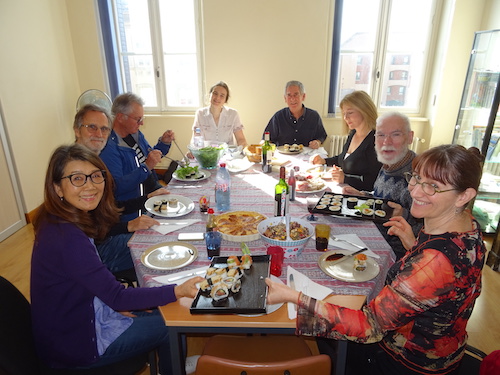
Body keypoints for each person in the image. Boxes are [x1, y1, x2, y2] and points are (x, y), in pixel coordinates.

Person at [266, 144, 486, 375]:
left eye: (433, 186)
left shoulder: (434, 262)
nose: (416, 191)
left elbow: (369, 326)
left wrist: (293, 296)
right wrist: (414, 246)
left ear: (464, 195)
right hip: (447, 351)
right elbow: (451, 280)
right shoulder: (467, 226)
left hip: (406, 362)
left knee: (324, 346)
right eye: (417, 178)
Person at [30, 144, 203, 374]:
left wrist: (111, 305)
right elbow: (118, 297)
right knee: (169, 323)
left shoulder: (60, 219)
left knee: (159, 309)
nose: (90, 186)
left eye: (95, 176)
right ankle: (173, 365)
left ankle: (174, 361)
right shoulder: (67, 237)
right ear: (57, 188)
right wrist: (177, 290)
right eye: (77, 178)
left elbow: (92, 286)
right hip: (76, 343)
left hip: (79, 317)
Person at [73, 104, 168, 273]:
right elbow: (86, 228)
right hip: (96, 251)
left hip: (105, 234)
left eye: (104, 129)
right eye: (92, 127)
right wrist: (128, 226)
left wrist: (146, 199)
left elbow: (110, 206)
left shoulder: (94, 164)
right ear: (76, 130)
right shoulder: (74, 169)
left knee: (162, 231)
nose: (99, 134)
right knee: (159, 244)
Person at [342, 111, 422, 259]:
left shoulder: (419, 176)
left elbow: (429, 230)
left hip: (395, 255)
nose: (387, 142)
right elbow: (384, 202)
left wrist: (404, 216)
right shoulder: (389, 163)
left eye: (396, 134)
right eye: (381, 135)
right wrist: (362, 196)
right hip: (373, 234)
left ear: (410, 137)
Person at [100, 92, 175, 221]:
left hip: (150, 191)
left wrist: (164, 143)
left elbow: (149, 156)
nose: (141, 123)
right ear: (120, 117)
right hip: (133, 210)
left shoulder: (135, 134)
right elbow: (117, 187)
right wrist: (146, 167)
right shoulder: (109, 147)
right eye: (137, 119)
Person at [312, 90, 382, 191]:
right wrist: (324, 161)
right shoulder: (353, 133)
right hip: (346, 190)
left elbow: (374, 182)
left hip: (359, 197)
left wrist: (345, 179)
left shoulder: (375, 141)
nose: (345, 118)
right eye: (344, 113)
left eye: (350, 113)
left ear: (364, 111)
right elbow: (343, 159)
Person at [263, 80, 327, 149]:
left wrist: (317, 142)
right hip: (284, 157)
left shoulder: (314, 116)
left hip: (307, 156)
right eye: (289, 95)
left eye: (296, 95)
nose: (292, 99)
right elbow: (266, 139)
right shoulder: (278, 117)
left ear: (303, 96)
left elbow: (321, 135)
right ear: (285, 98)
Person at [191, 81, 247, 148]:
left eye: (222, 96)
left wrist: (244, 149)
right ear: (210, 95)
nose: (217, 98)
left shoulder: (233, 114)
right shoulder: (200, 113)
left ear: (225, 100)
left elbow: (241, 139)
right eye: (215, 93)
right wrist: (193, 150)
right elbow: (196, 137)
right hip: (207, 154)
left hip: (228, 155)